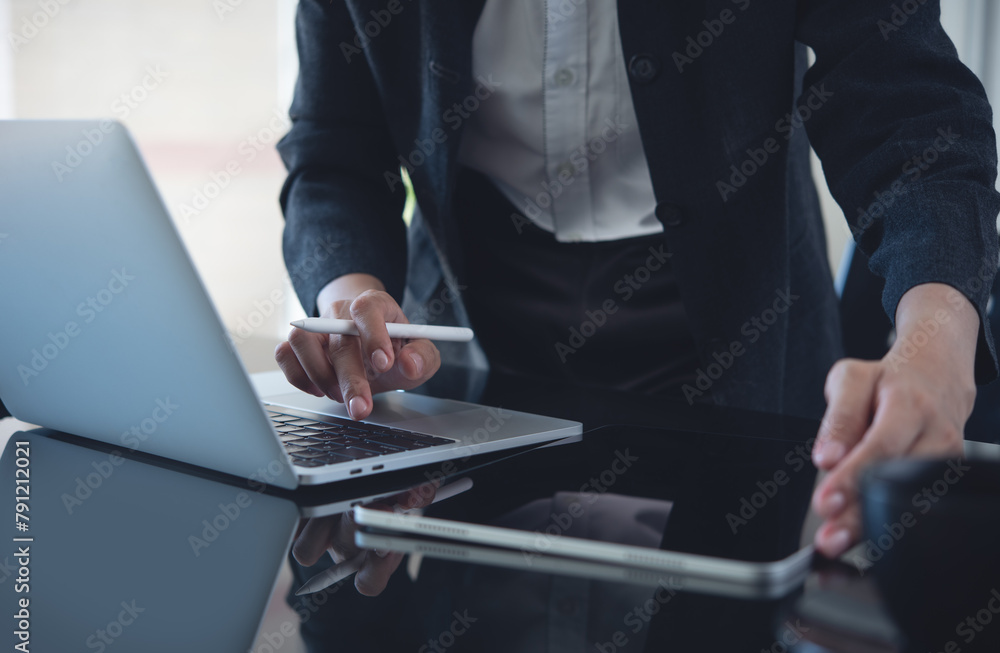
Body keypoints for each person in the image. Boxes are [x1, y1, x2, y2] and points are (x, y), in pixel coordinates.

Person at [273, 0, 1000, 571]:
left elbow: (907, 113)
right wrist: (349, 299)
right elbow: (335, 147)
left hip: (743, 338)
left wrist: (938, 340)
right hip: (470, 357)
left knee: (720, 633)